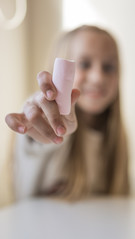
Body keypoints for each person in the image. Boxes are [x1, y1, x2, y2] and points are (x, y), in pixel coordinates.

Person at [5, 25, 129, 201]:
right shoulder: (45, 123)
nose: (98, 78)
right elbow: (34, 147)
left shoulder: (115, 139)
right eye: (85, 64)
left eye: (108, 67)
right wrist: (39, 125)